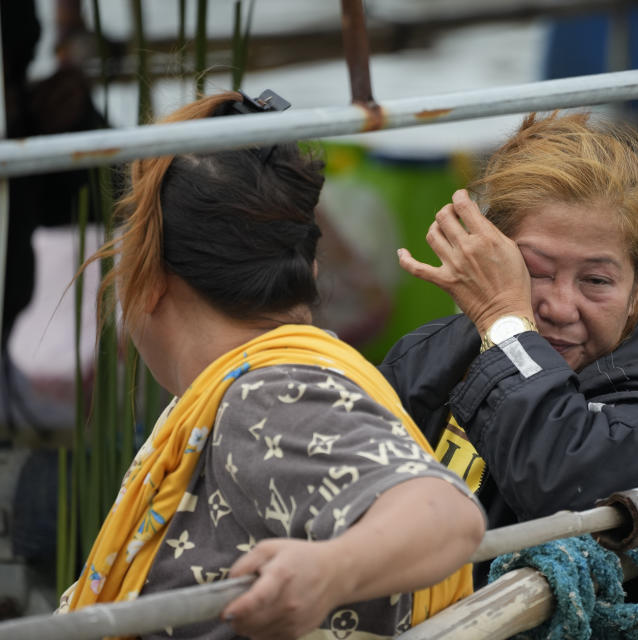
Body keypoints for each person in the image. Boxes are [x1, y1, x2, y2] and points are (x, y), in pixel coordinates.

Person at [57, 92, 485, 640]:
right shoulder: (264, 387)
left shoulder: (267, 394)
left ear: (149, 273)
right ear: (307, 265)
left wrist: (329, 572)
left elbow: (443, 512)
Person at [379, 112, 638, 535]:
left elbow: (562, 481)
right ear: (490, 254)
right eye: (534, 271)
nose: (561, 308)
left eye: (596, 281)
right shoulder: (431, 353)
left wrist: (505, 325)